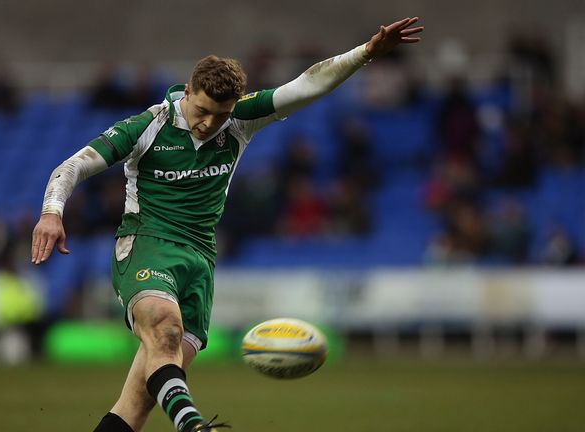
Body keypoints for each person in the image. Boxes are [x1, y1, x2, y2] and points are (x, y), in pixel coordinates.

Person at [31, 17, 423, 432]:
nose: (208, 123)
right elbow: (72, 167)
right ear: (187, 92)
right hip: (147, 245)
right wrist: (52, 212)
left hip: (200, 263)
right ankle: (192, 426)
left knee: (138, 402)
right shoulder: (148, 126)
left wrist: (365, 53)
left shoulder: (239, 121)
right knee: (165, 332)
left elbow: (308, 84)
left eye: (220, 115)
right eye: (201, 110)